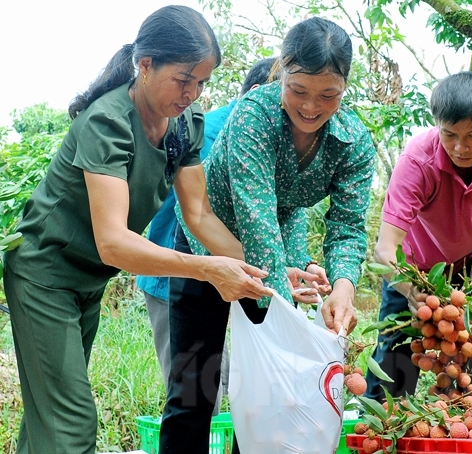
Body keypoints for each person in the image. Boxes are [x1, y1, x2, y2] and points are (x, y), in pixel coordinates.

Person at [2, 6, 273, 454]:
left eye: (202, 82)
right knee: (70, 425)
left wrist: (267, 272)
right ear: (145, 65)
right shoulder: (107, 122)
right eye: (184, 79)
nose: (192, 93)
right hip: (43, 275)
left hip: (86, 282)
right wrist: (207, 269)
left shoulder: (184, 124)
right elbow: (113, 243)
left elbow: (199, 214)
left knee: (46, 421)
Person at [158, 16, 376, 454]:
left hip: (270, 255)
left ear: (345, 88)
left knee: (265, 396)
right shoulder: (253, 117)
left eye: (328, 95)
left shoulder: (353, 142)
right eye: (299, 91)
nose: (311, 107)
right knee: (194, 390)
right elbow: (257, 216)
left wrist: (343, 288)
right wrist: (288, 319)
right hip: (210, 249)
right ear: (281, 72)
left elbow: (348, 226)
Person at [364, 71, 472, 401]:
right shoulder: (417, 160)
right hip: (417, 267)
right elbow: (386, 249)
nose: (461, 147)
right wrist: (409, 288)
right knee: (395, 357)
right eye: (449, 135)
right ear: (437, 125)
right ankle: (383, 433)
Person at [134, 57, 277, 410]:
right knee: (195, 395)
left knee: (225, 385)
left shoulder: (263, 141)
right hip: (176, 276)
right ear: (258, 95)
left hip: (228, 274)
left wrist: (285, 264)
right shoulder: (215, 135)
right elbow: (208, 217)